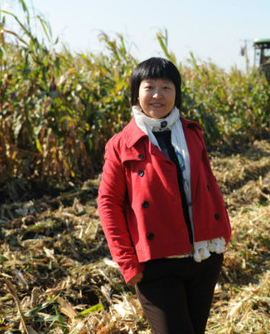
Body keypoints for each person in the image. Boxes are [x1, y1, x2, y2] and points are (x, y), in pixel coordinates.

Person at [97, 57, 232, 334]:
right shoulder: (121, 144)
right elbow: (109, 204)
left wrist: (223, 230)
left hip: (204, 256)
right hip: (156, 263)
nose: (158, 95)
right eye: (149, 87)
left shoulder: (193, 132)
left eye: (166, 87)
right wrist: (126, 262)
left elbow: (208, 182)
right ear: (137, 92)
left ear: (176, 92)